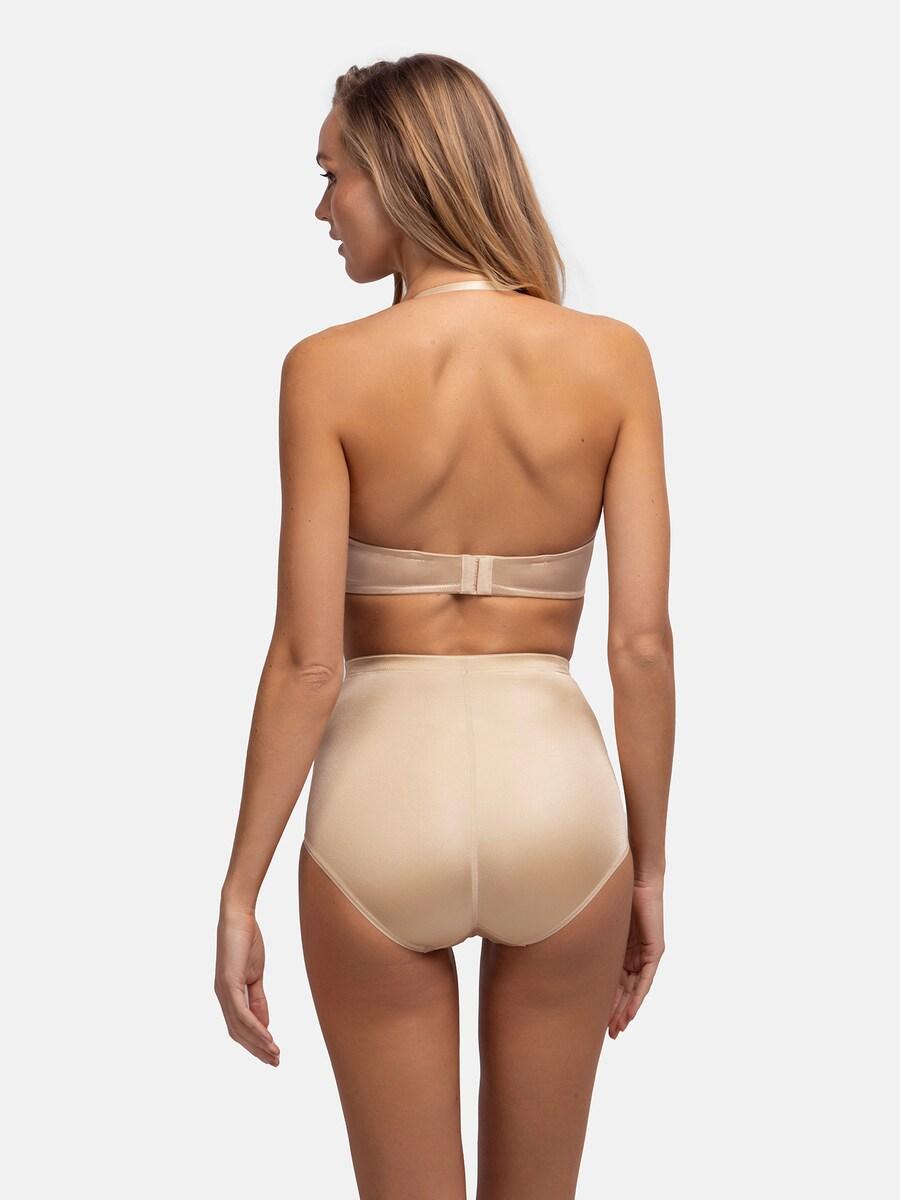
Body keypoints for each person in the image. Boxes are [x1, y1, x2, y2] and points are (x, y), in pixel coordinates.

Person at [215, 52, 674, 1200]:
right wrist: (649, 868)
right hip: (563, 808)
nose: (322, 209)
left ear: (400, 172)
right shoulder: (612, 359)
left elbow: (308, 662)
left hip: (381, 804)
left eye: (333, 176)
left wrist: (239, 890)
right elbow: (640, 647)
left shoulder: (325, 372)